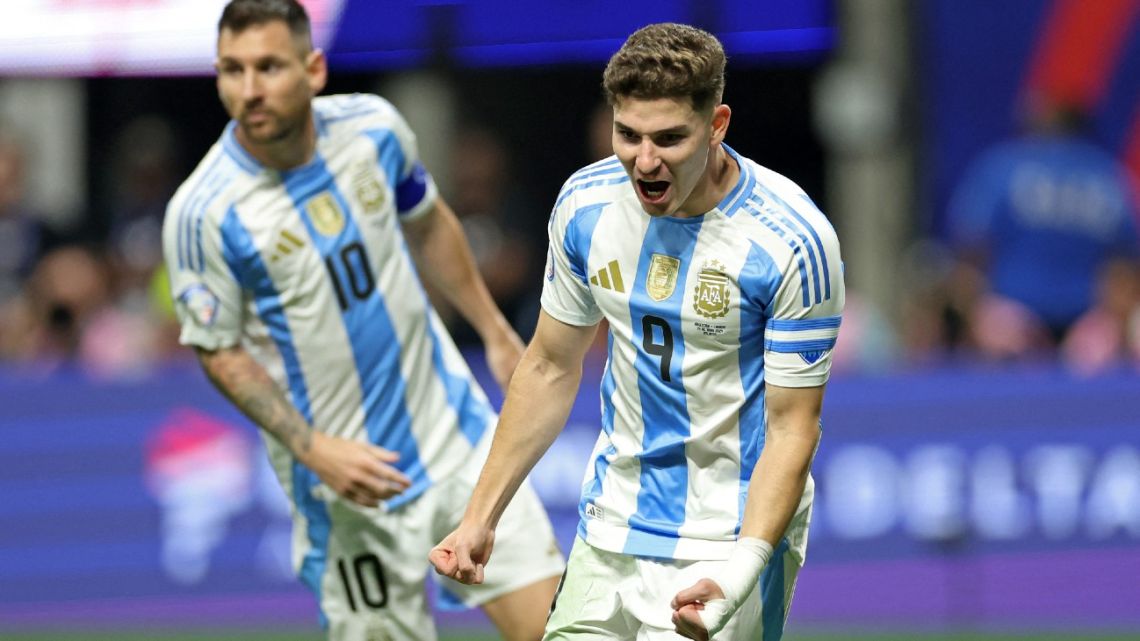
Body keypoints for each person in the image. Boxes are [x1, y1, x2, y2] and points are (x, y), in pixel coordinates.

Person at [161, 1, 562, 639]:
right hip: (344, 486)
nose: (250, 89)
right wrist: (315, 449)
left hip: (454, 440)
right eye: (232, 70)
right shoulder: (203, 213)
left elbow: (428, 221)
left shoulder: (374, 129)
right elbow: (220, 351)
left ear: (314, 68)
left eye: (268, 66)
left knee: (554, 631)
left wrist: (491, 328)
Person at [432, 23, 844, 641]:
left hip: (724, 540)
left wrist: (742, 571)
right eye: (629, 136)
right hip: (610, 527)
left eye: (670, 138)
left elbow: (793, 427)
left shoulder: (791, 242)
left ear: (717, 124)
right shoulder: (585, 207)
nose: (644, 161)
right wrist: (481, 516)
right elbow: (548, 365)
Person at [946, 97, 1139, 356]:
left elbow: (969, 254)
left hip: (1019, 322)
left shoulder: (1001, 168)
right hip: (1076, 327)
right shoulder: (1110, 176)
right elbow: (1125, 269)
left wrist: (974, 315)